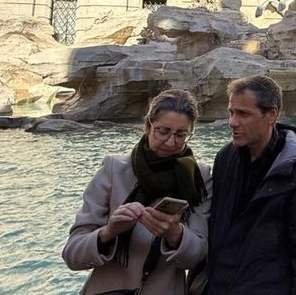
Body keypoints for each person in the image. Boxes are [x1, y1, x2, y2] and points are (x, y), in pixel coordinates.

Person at [62, 89, 211, 295]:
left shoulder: (200, 177)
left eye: (180, 134)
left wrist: (175, 234)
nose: (171, 142)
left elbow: (198, 255)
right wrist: (108, 232)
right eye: (163, 131)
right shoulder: (113, 169)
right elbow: (72, 255)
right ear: (148, 126)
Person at [205, 75, 296, 295]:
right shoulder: (225, 157)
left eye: (243, 114)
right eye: (231, 112)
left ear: (271, 115)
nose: (232, 122)